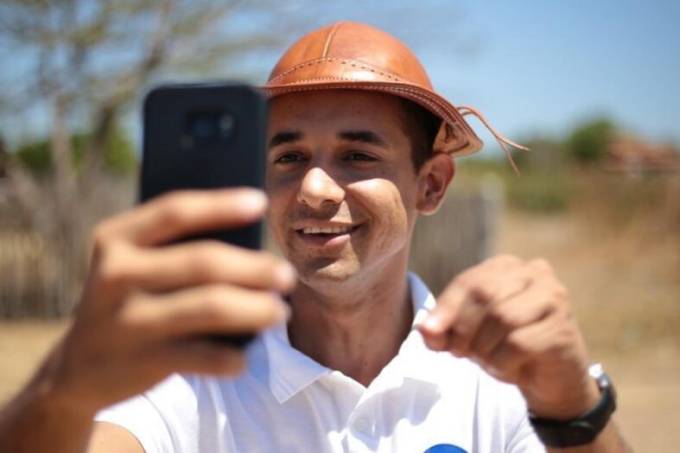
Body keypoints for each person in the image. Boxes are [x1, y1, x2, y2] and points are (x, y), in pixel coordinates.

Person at [0, 21, 628, 453]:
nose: (316, 189)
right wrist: (65, 385)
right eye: (289, 156)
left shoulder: (498, 381)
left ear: (431, 185)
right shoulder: (191, 373)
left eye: (358, 154)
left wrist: (575, 406)